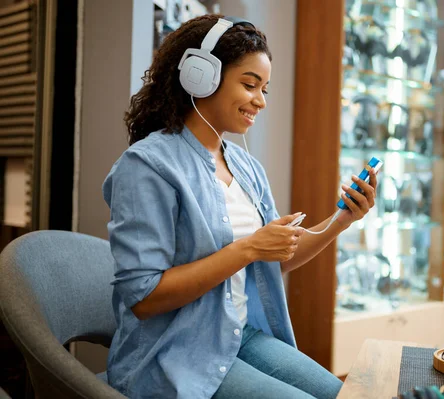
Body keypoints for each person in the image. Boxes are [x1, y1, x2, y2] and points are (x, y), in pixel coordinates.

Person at [102, 14, 378, 399]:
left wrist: (341, 221)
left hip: (240, 334)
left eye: (265, 89)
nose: (260, 101)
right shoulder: (147, 166)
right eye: (250, 85)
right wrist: (248, 248)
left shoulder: (246, 166)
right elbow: (145, 299)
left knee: (342, 394)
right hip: (175, 350)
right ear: (202, 77)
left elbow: (271, 262)